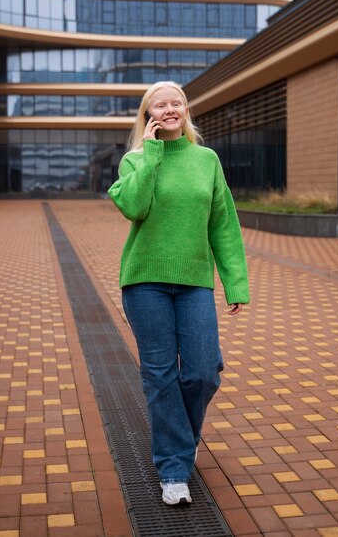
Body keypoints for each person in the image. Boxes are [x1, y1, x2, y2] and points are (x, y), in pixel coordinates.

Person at [108, 81, 249, 506]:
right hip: (145, 280)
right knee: (160, 375)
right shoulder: (134, 160)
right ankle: (174, 469)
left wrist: (235, 281)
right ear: (147, 113)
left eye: (177, 103)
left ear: (186, 110)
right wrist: (151, 156)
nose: (171, 109)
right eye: (161, 104)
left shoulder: (206, 160)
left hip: (194, 282)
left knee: (203, 372)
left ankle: (177, 442)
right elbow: (134, 207)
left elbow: (222, 223)